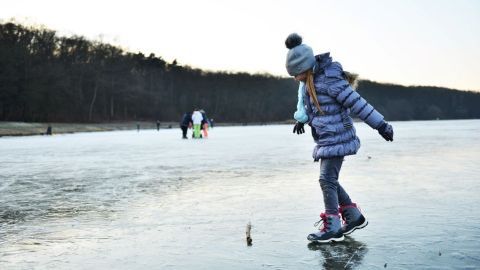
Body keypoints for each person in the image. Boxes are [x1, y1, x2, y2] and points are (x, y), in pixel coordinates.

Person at [285, 33, 394, 243]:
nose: (294, 78)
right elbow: (314, 108)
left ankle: (333, 225)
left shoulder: (329, 80)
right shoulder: (309, 83)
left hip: (338, 138)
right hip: (328, 138)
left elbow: (357, 103)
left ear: (305, 68)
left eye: (295, 73)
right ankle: (353, 216)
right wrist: (303, 119)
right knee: (330, 180)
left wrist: (381, 125)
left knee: (326, 180)